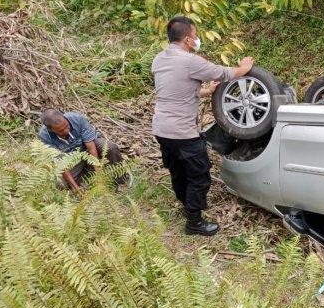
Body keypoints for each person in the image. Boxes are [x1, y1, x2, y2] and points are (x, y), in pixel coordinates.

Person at [151, 16, 254, 236]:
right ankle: (194, 223)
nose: (197, 40)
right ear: (188, 39)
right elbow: (225, 73)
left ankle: (185, 205)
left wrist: (206, 92)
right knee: (199, 175)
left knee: (177, 170)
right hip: (182, 133)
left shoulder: (159, 60)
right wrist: (243, 68)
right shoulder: (190, 61)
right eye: (195, 36)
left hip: (161, 129)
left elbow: (175, 89)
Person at [39, 109, 127, 194]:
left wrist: (98, 174)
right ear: (51, 130)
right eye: (61, 131)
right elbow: (61, 163)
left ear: (64, 117)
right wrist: (75, 188)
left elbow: (91, 147)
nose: (66, 131)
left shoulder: (77, 118)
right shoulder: (45, 136)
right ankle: (86, 178)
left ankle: (120, 181)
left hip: (89, 148)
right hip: (71, 160)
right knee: (60, 184)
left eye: (67, 126)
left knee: (109, 147)